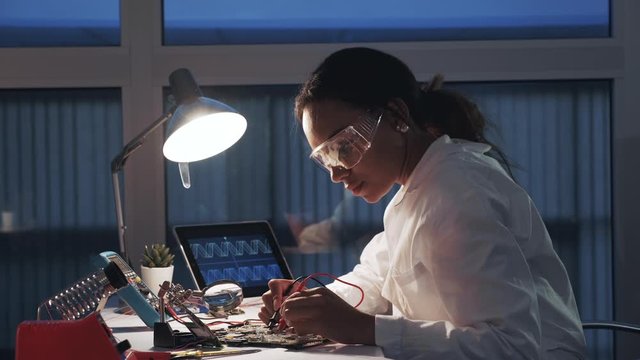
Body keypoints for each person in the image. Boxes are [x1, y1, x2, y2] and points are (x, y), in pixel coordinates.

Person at [259, 47, 587, 359]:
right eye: (325, 158)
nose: (337, 174)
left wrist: (366, 329)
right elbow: (376, 278)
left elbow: (510, 348)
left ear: (396, 115)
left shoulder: (459, 194)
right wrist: (309, 304)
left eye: (343, 148)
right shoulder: (418, 190)